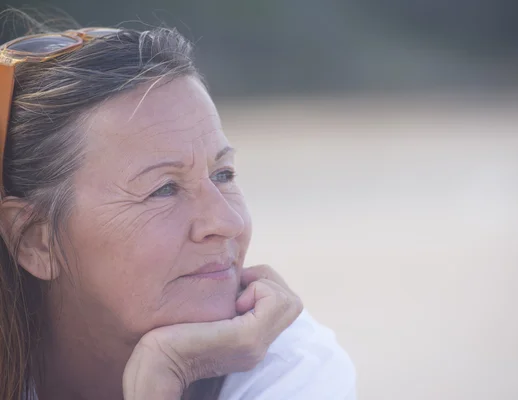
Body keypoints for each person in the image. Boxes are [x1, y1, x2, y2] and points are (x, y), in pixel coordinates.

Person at [0, 22, 356, 400]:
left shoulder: (292, 371)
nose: (226, 222)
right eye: (163, 189)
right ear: (35, 241)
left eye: (223, 174)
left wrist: (166, 371)